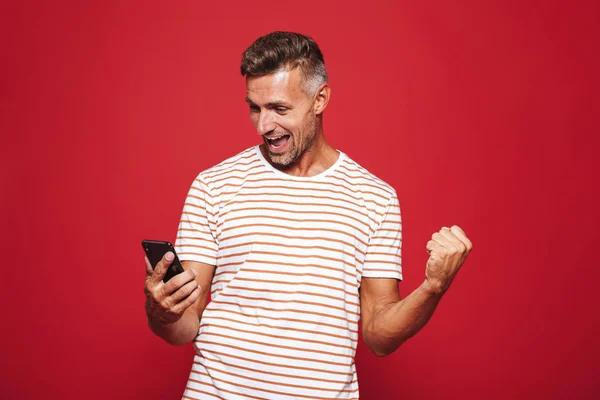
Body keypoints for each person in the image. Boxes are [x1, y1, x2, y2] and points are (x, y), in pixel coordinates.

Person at [143, 31, 473, 400]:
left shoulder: (374, 198)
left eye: (280, 109)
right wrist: (162, 311)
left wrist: (433, 288)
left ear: (320, 99)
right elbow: (185, 326)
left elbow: (379, 337)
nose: (263, 125)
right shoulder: (213, 186)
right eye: (255, 107)